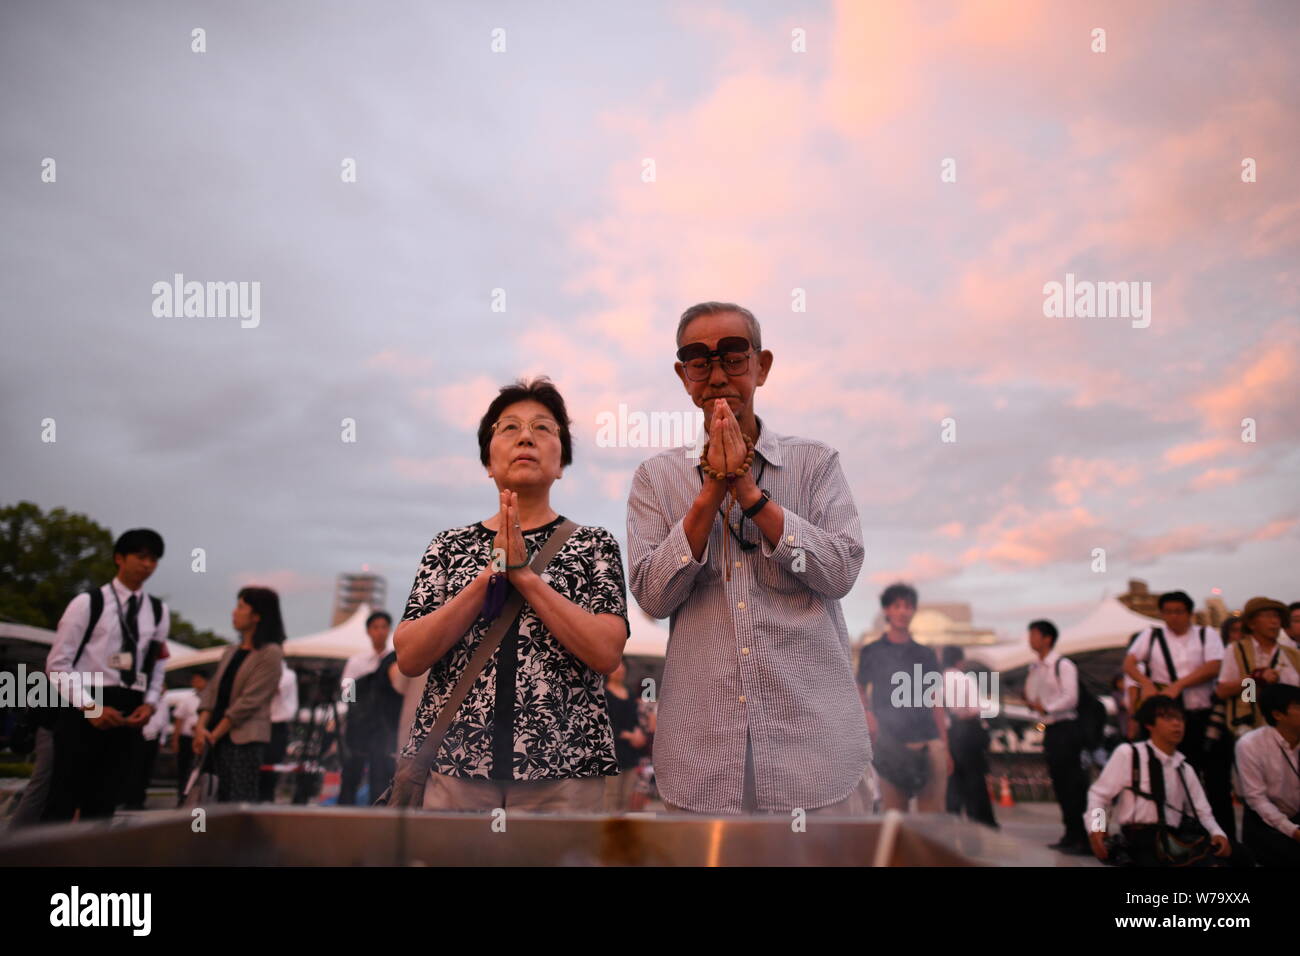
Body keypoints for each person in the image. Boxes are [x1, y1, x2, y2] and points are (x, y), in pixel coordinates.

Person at [627, 302, 870, 815]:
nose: (717, 376)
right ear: (683, 376)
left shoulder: (815, 463)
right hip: (702, 753)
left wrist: (750, 493)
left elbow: (841, 571)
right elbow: (652, 594)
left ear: (762, 366)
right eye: (699, 361)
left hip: (814, 751)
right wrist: (711, 491)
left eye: (734, 358)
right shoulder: (656, 477)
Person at [395, 377, 629, 812]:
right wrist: (490, 575)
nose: (526, 436)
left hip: (564, 768)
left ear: (562, 464)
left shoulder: (594, 544)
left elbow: (606, 652)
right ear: (488, 461)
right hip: (455, 764)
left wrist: (524, 575)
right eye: (509, 428)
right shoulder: (449, 546)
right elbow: (409, 656)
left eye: (543, 428)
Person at [42, 529, 171, 822]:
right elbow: (57, 664)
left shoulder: (158, 611)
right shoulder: (88, 603)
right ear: (119, 559)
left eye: (154, 559)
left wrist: (149, 704)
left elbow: (157, 663)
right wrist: (90, 707)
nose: (148, 564)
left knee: (105, 799)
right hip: (84, 702)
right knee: (63, 796)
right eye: (141, 556)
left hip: (130, 705)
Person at [1087, 695, 1250, 867]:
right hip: (1140, 839)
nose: (1177, 724)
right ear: (1149, 724)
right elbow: (1100, 796)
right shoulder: (1129, 754)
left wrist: (1217, 833)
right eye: (1167, 718)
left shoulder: (1184, 767)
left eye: (1180, 718)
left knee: (1241, 855)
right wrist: (1097, 828)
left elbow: (1203, 812)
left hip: (1174, 837)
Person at [1124, 590, 1229, 835]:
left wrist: (1179, 685)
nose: (1173, 617)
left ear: (1190, 614)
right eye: (1168, 612)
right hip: (1167, 718)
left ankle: (1222, 838)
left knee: (1214, 783)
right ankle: (1177, 838)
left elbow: (1214, 665)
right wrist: (1146, 683)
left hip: (1201, 715)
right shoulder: (1151, 635)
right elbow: (1129, 663)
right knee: (1172, 780)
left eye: (1179, 612)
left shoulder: (1206, 635)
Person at [858, 583, 949, 813]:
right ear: (887, 610)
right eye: (896, 606)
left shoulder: (925, 653)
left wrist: (945, 746)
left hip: (928, 741)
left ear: (913, 611)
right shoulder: (872, 651)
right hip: (890, 744)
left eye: (908, 606)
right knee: (895, 815)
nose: (903, 611)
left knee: (932, 817)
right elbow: (859, 687)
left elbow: (934, 698)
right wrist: (868, 714)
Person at [193, 588, 287, 803]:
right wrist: (200, 728)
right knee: (207, 797)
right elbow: (212, 692)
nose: (234, 612)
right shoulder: (230, 652)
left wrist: (213, 734)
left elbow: (249, 701)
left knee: (236, 800)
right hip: (212, 736)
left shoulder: (270, 653)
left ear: (257, 615)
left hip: (242, 739)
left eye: (241, 607)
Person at [1024, 619, 1090, 855]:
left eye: (1034, 634)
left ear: (1047, 638)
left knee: (1074, 785)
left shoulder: (1063, 665)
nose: (1030, 639)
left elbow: (1071, 697)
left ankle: (1084, 836)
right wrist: (1036, 705)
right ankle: (1070, 833)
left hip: (1067, 729)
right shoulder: (1036, 667)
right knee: (1060, 784)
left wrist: (1047, 707)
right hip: (1050, 729)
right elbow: (1033, 696)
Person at [338, 611, 402, 805]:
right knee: (351, 773)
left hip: (382, 728)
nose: (380, 631)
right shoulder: (356, 662)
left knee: (380, 775)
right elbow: (347, 694)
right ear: (368, 631)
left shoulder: (394, 660)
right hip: (358, 726)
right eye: (376, 627)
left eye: (384, 627)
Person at [1233, 683, 1300, 866]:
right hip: (1265, 824)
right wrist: (1292, 831)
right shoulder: (1250, 744)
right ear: (1277, 714)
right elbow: (1257, 799)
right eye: (1297, 706)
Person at [1216, 596, 1300, 738]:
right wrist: (1254, 679)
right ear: (1251, 623)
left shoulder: (1292, 654)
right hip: (1249, 728)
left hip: (1291, 732)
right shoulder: (1237, 650)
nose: (1274, 621)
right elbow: (1223, 691)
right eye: (1267, 616)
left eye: (1277, 616)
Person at [941, 646, 997, 827]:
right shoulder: (965, 679)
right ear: (960, 662)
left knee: (953, 779)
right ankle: (981, 820)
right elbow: (975, 708)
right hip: (967, 733)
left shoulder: (938, 680)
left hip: (948, 733)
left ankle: (953, 818)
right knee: (974, 778)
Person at [603, 657, 654, 812]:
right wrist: (629, 735)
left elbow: (636, 720)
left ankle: (623, 832)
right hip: (612, 753)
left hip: (631, 754)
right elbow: (606, 723)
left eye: (623, 667)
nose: (620, 670)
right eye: (617, 667)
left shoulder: (631, 694)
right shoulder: (604, 693)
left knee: (627, 797)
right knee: (612, 795)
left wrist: (638, 733)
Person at [258, 660, 299, 802]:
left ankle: (267, 798)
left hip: (278, 725)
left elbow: (272, 689)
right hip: (261, 723)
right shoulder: (261, 671)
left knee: (271, 764)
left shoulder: (287, 674)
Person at [121, 694, 170, 810]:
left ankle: (139, 799)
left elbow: (165, 722)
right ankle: (130, 800)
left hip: (153, 738)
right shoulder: (142, 700)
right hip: (140, 736)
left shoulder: (163, 703)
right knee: (134, 769)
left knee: (146, 770)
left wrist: (162, 739)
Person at [171, 670, 208, 804]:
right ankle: (182, 796)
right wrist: (175, 739)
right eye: (194, 680)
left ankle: (197, 798)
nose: (195, 683)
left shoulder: (210, 697)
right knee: (184, 768)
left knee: (198, 770)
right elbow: (179, 719)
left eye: (198, 680)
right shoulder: (188, 698)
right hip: (187, 738)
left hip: (203, 738)